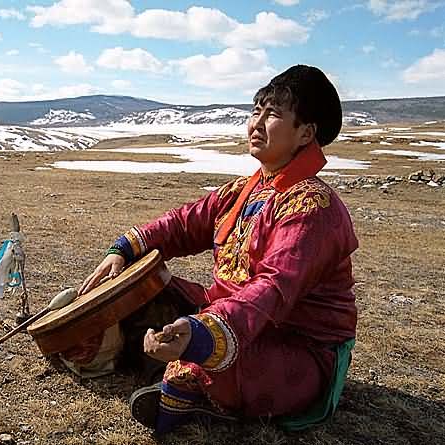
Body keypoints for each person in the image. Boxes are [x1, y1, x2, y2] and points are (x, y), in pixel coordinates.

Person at [75, 64, 358, 434]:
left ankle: (180, 380)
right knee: (136, 286)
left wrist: (205, 331)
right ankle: (161, 354)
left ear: (305, 133)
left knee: (213, 359)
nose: (257, 122)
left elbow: (273, 288)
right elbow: (181, 224)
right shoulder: (245, 189)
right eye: (256, 110)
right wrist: (122, 251)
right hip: (227, 316)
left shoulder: (312, 206)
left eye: (272, 114)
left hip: (295, 345)